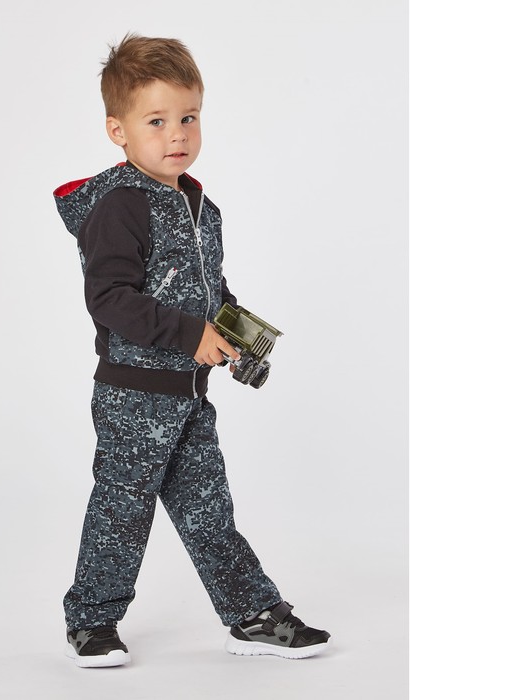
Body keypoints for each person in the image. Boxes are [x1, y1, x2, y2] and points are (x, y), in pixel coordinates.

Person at [53, 34, 331, 668]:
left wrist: (239, 339)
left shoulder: (203, 207)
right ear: (118, 131)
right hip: (133, 398)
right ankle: (91, 621)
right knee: (122, 511)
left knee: (210, 511)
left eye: (188, 117)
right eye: (155, 121)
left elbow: (211, 292)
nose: (176, 134)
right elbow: (109, 299)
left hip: (189, 397)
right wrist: (188, 335)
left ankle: (252, 614)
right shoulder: (119, 207)